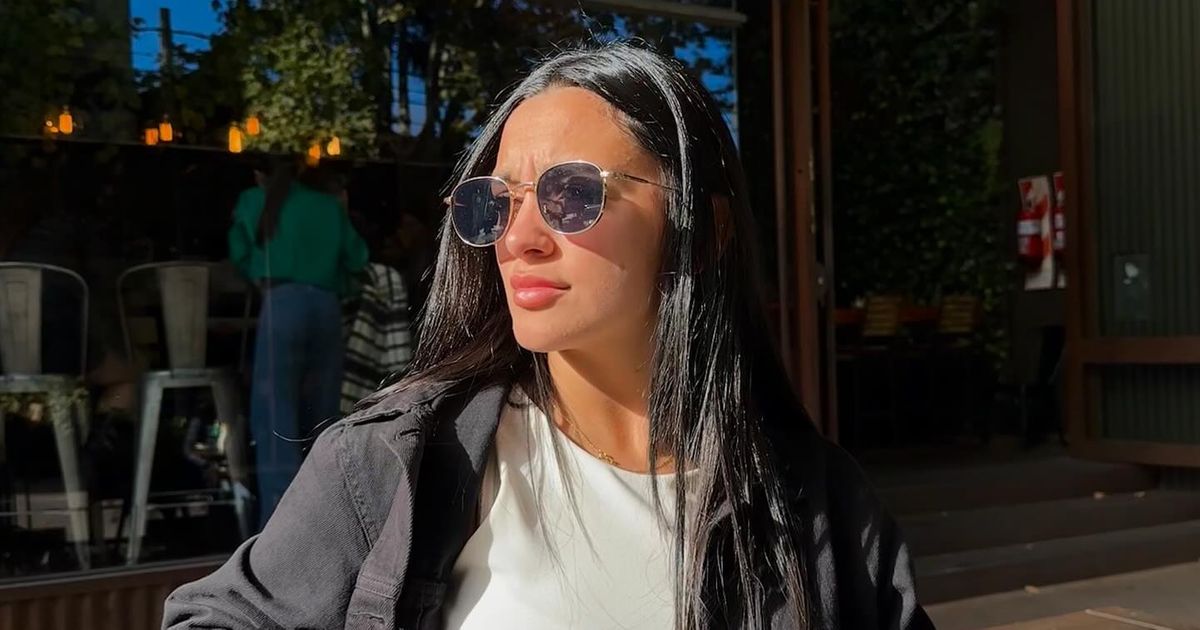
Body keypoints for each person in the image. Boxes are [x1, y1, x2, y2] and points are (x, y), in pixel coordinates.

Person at [164, 41, 931, 629]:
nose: (517, 238)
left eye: (571, 194)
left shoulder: (820, 507)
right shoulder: (400, 463)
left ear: (701, 232)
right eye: (496, 203)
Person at [227, 157, 368, 528]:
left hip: (281, 305)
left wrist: (259, 274)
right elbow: (358, 259)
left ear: (260, 172)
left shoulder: (253, 199)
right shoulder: (328, 206)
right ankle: (325, 522)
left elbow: (238, 252)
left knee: (275, 418)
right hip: (326, 307)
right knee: (322, 417)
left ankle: (280, 528)